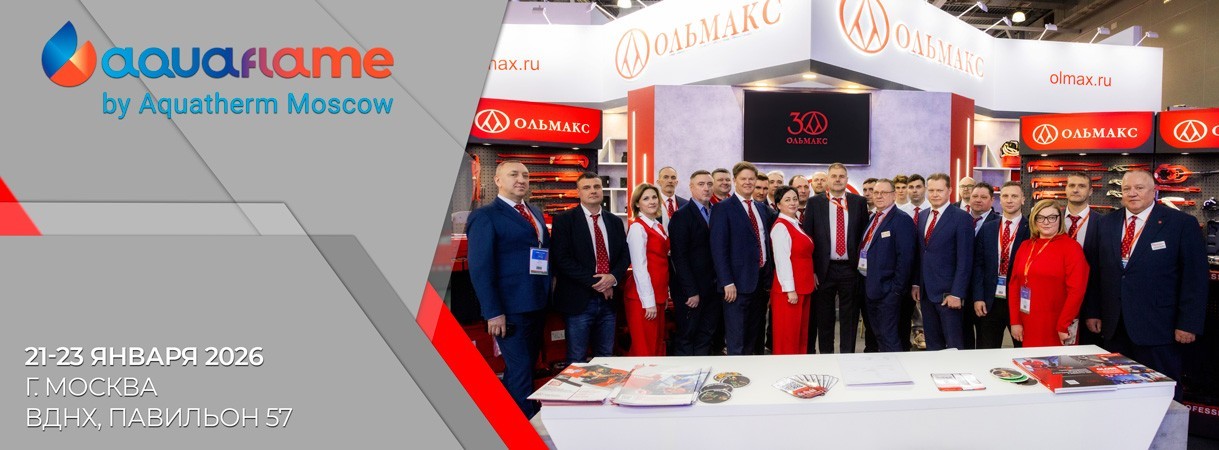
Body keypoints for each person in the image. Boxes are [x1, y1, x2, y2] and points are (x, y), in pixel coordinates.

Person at [1085, 170, 1207, 389]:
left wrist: (1188, 323)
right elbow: (1096, 272)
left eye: (1139, 188)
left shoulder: (1181, 223)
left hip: (1159, 329)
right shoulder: (1106, 223)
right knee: (1116, 387)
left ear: (1154, 191)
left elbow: (1195, 278)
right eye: (1126, 189)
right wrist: (1093, 311)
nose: (1132, 193)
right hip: (1115, 327)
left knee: (1161, 390)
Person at [466, 161, 550, 417]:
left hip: (537, 304)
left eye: (525, 175)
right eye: (513, 174)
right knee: (521, 369)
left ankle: (514, 417)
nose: (521, 179)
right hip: (509, 309)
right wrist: (493, 312)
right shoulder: (485, 216)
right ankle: (526, 423)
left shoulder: (534, 212)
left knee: (525, 368)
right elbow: (480, 269)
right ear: (498, 180)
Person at [550, 172, 629, 363]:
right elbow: (561, 259)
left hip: (608, 301)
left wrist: (613, 278)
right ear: (578, 192)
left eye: (597, 187)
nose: (593, 191)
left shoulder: (615, 221)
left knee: (606, 357)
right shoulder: (564, 220)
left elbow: (624, 255)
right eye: (587, 187)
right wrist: (600, 282)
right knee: (577, 359)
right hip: (578, 301)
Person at [803, 163, 869, 353]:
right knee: (824, 318)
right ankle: (827, 357)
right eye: (834, 176)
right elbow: (808, 238)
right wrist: (811, 271)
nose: (838, 179)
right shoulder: (814, 203)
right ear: (827, 180)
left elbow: (864, 237)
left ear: (847, 180)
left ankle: (847, 357)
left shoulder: (859, 202)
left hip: (851, 268)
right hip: (824, 269)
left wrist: (862, 268)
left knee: (850, 318)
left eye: (841, 176)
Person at [710, 161, 774, 355]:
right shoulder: (723, 208)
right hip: (735, 286)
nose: (748, 182)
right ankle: (735, 372)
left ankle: (751, 371)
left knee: (753, 339)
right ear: (735, 180)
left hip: (760, 284)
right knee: (736, 340)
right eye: (743, 179)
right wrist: (726, 281)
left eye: (751, 179)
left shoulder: (761, 208)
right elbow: (718, 249)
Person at [1009, 199, 1090, 348]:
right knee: (1030, 360)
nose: (1046, 222)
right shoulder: (1025, 246)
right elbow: (1014, 286)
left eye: (1052, 217)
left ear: (1060, 219)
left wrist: (1064, 324)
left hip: (1057, 323)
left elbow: (1076, 291)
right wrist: (1015, 321)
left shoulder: (1072, 248)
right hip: (1028, 321)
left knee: (1056, 362)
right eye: (1040, 217)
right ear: (1034, 220)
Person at [912, 173, 974, 350]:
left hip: (949, 295)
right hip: (926, 293)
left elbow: (965, 260)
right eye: (931, 190)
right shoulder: (922, 216)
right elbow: (921, 253)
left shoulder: (962, 218)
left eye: (939, 190)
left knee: (954, 345)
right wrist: (916, 283)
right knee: (933, 344)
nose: (935, 194)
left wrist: (957, 293)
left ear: (950, 191)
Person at [669, 171, 722, 356]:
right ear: (691, 187)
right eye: (701, 184)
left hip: (714, 288)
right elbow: (679, 257)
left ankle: (703, 371)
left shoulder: (717, 212)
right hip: (691, 291)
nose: (706, 188)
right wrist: (691, 291)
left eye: (709, 184)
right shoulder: (681, 216)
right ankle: (684, 374)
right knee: (687, 335)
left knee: (706, 335)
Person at [859, 179, 915, 352]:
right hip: (870, 287)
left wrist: (896, 290)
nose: (879, 196)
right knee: (879, 336)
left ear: (894, 195)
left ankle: (895, 369)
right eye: (876, 192)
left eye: (884, 192)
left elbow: (906, 259)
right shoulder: (873, 218)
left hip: (888, 291)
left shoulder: (902, 220)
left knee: (889, 338)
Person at [970, 181, 1029, 349]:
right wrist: (978, 297)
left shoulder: (1031, 229)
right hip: (990, 300)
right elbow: (978, 265)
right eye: (1005, 196)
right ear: (999, 200)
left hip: (1019, 301)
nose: (1009, 200)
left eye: (1014, 196)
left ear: (1023, 199)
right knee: (986, 350)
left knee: (1023, 349)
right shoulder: (988, 228)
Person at [623, 183, 671, 356]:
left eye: (654, 197)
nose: (652, 201)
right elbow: (640, 267)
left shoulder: (657, 226)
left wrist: (663, 295)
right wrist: (649, 301)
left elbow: (661, 263)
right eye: (646, 198)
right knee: (645, 350)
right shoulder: (637, 228)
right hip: (642, 299)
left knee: (657, 345)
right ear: (637, 203)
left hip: (657, 295)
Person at [769, 185, 816, 354]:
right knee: (788, 336)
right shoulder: (781, 227)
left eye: (795, 199)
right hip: (789, 291)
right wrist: (790, 290)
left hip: (803, 287)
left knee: (800, 334)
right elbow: (782, 261)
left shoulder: (795, 223)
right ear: (778, 205)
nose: (793, 203)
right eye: (787, 200)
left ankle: (799, 367)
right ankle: (787, 368)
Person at [1064, 172, 1104, 346]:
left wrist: (1095, 310)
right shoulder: (1051, 219)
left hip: (1089, 300)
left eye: (1081, 186)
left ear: (1090, 191)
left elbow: (1104, 271)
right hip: (1055, 298)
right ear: (1065, 189)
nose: (1075, 190)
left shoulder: (1103, 223)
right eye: (1071, 185)